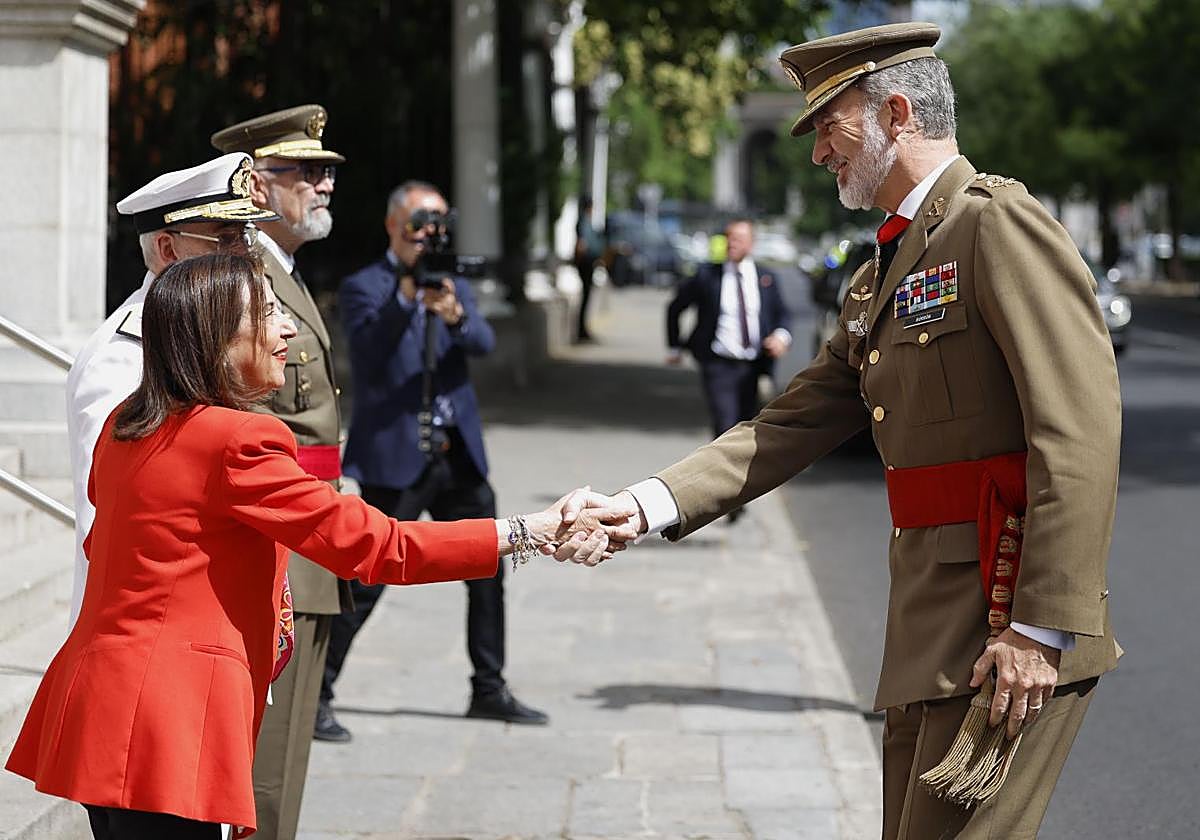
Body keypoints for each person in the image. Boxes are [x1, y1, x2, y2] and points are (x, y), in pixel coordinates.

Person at [572, 22, 1120, 840]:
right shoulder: (884, 269)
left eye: (832, 127)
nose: (820, 153)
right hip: (931, 628)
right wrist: (648, 505)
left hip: (1003, 628)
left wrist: (1038, 631)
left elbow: (1077, 428)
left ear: (898, 113)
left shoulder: (993, 224)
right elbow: (794, 419)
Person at [5, 253, 626, 840]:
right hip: (166, 715)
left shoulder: (126, 424)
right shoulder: (235, 439)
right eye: (266, 317)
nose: (286, 333)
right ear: (216, 339)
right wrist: (529, 532)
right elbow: (379, 548)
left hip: (99, 699)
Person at [323, 180, 547, 738]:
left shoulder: (450, 281)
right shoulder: (365, 286)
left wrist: (453, 315)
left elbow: (484, 345)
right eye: (421, 221)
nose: (430, 233)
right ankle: (318, 693)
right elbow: (370, 358)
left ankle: (489, 688)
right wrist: (406, 296)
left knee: (491, 566)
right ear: (393, 225)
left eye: (439, 222)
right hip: (393, 456)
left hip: (457, 454)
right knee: (367, 578)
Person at [211, 104, 352, 840]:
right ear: (258, 187)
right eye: (308, 172)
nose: (324, 186)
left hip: (313, 530)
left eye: (326, 172)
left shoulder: (283, 273)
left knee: (288, 763)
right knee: (263, 778)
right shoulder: (244, 278)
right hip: (283, 538)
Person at [66, 152, 277, 629]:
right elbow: (108, 519)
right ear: (168, 249)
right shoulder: (122, 356)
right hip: (156, 626)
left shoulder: (207, 331)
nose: (244, 255)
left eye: (246, 238)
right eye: (225, 239)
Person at [666, 218, 793, 441]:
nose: (732, 243)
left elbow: (783, 313)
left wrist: (780, 337)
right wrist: (675, 346)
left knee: (748, 428)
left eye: (739, 239)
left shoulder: (765, 278)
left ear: (751, 244)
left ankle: (741, 475)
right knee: (725, 426)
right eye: (729, 238)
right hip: (718, 364)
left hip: (754, 366)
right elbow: (675, 307)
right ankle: (723, 473)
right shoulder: (707, 276)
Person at [573, 195, 605, 341]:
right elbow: (582, 244)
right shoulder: (584, 222)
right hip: (586, 263)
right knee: (586, 296)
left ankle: (583, 329)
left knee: (586, 296)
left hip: (587, 262)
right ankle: (581, 330)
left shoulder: (584, 221)